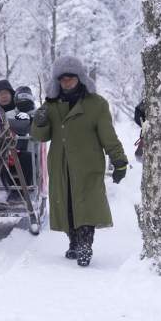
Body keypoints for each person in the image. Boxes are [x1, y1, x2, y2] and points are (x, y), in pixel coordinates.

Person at [31, 56, 128, 267]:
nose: (66, 82)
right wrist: (38, 123)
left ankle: (85, 244)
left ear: (80, 78)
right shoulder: (51, 105)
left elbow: (108, 136)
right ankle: (73, 242)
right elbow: (42, 136)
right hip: (60, 165)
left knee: (86, 206)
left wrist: (119, 161)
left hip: (88, 166)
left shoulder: (97, 104)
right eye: (62, 78)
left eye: (71, 78)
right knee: (66, 206)